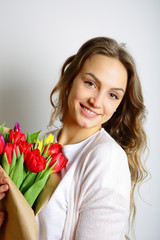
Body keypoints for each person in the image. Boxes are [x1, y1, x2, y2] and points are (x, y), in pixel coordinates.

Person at [0, 37, 147, 239]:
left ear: (118, 106)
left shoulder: (107, 159)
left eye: (113, 95)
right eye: (90, 83)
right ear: (70, 81)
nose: (96, 101)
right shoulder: (40, 142)